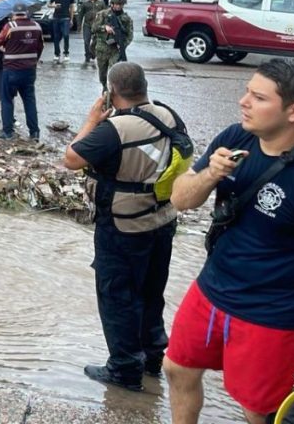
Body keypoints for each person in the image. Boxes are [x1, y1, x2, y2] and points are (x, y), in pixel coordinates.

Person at [164, 59, 294, 424]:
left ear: (293, 111)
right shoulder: (235, 137)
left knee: (258, 408)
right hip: (212, 287)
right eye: (246, 92)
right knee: (177, 368)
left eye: (258, 97)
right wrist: (212, 173)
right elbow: (180, 198)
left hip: (271, 311)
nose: (244, 102)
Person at [63, 62, 186, 393]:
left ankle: (124, 368)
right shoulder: (168, 115)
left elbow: (71, 158)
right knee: (151, 291)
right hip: (162, 220)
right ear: (145, 86)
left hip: (122, 225)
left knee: (117, 295)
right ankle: (152, 357)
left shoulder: (114, 129)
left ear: (111, 91)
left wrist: (91, 119)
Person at [0, 8, 42, 140]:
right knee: (29, 101)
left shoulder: (10, 26)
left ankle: (7, 132)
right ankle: (34, 132)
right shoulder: (37, 26)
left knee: (7, 100)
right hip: (30, 70)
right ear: (26, 13)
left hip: (11, 70)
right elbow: (40, 47)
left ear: (14, 14)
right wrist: (33, 61)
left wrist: (6, 50)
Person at [91, 0, 133, 92]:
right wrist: (104, 28)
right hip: (102, 48)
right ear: (112, 4)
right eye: (116, 4)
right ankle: (105, 88)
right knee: (102, 75)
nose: (118, 6)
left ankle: (111, 92)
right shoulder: (103, 14)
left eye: (121, 4)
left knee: (112, 72)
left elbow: (130, 35)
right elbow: (93, 28)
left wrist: (122, 45)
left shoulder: (126, 19)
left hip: (115, 50)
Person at [49, 0, 76, 64]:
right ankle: (57, 54)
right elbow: (49, 4)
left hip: (66, 18)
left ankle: (66, 53)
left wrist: (71, 19)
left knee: (66, 35)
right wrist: (54, 6)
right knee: (56, 37)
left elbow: (72, 7)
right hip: (56, 17)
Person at [79, 0, 107, 68]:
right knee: (86, 41)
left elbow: (105, 14)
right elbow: (80, 15)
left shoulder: (101, 3)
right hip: (87, 25)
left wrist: (105, 25)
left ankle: (93, 54)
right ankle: (87, 56)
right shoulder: (85, 3)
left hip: (97, 25)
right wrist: (79, 25)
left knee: (95, 42)